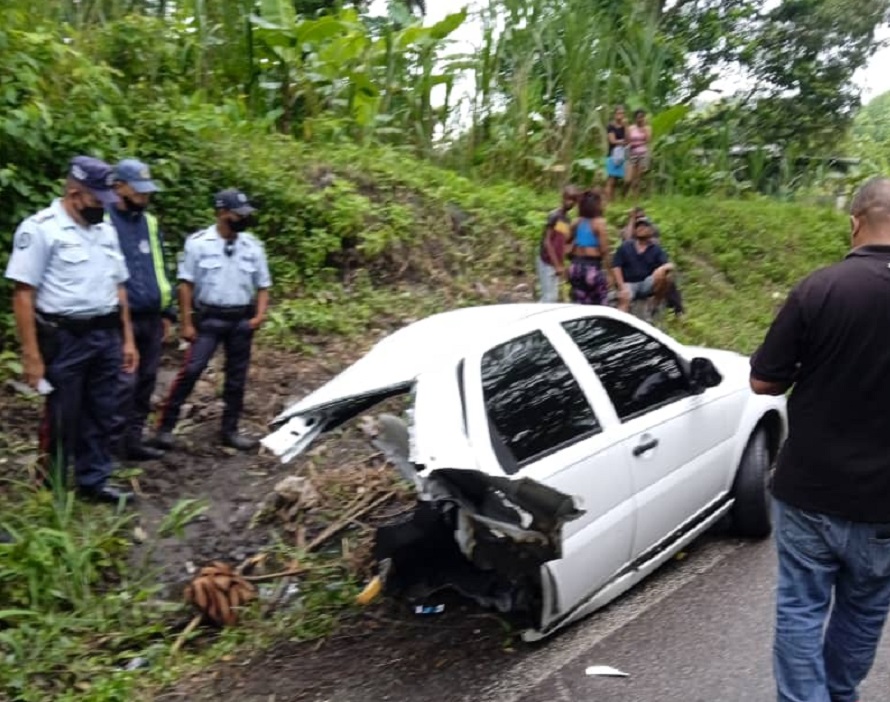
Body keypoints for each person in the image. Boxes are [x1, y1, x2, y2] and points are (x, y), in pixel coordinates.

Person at [750, 176, 890, 702]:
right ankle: (839, 693)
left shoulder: (819, 288)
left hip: (810, 489)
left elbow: (765, 380)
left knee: (800, 607)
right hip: (884, 503)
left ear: (854, 222)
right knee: (865, 607)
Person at [4, 156, 137, 505]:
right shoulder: (41, 229)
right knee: (63, 414)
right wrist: (31, 355)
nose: (102, 207)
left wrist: (127, 339)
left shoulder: (105, 230)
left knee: (102, 410)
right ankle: (50, 488)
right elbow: (23, 293)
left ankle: (93, 480)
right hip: (66, 338)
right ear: (75, 193)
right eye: (96, 200)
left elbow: (118, 286)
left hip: (106, 334)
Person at [153, 189, 271, 451]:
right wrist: (186, 322)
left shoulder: (252, 245)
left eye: (245, 214)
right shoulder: (198, 244)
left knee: (237, 377)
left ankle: (230, 430)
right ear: (221, 213)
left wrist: (259, 316)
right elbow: (186, 285)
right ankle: (164, 428)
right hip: (209, 319)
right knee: (191, 370)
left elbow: (263, 285)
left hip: (241, 319)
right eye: (237, 214)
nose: (243, 219)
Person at [107, 158, 176, 462]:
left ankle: (132, 441)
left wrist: (167, 310)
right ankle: (108, 448)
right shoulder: (103, 220)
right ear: (118, 186)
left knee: (146, 381)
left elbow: (159, 267)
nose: (144, 198)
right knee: (121, 384)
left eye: (148, 192)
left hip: (150, 315)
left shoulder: (149, 222)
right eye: (138, 191)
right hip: (119, 317)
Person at [612, 217, 676, 317]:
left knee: (667, 276)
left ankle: (655, 304)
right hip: (629, 283)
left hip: (646, 284)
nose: (640, 228)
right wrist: (621, 287)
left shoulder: (656, 249)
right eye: (638, 226)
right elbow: (616, 266)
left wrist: (661, 269)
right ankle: (619, 321)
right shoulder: (626, 246)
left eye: (644, 226)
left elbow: (670, 265)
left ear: (651, 230)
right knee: (624, 298)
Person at [566, 189, 612, 305]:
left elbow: (566, 240)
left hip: (575, 267)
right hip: (592, 267)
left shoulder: (576, 222)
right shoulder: (599, 223)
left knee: (579, 304)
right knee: (600, 305)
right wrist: (610, 274)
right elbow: (604, 250)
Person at [537, 185, 579, 302]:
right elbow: (547, 241)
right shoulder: (554, 216)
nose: (569, 202)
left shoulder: (566, 219)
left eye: (573, 200)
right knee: (549, 297)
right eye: (568, 198)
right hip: (546, 261)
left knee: (552, 297)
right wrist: (557, 265)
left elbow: (561, 242)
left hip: (555, 263)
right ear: (563, 198)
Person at [626, 109, 652, 199]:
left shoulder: (647, 128)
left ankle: (635, 197)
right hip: (632, 153)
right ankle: (625, 193)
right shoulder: (631, 128)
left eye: (642, 117)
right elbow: (628, 140)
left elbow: (648, 140)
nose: (640, 119)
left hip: (642, 154)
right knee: (629, 179)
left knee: (637, 178)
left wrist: (644, 128)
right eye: (638, 117)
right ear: (635, 118)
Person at [604, 106, 627, 203]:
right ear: (615, 114)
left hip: (621, 155)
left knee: (616, 180)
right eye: (618, 113)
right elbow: (612, 140)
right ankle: (607, 200)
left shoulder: (624, 126)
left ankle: (612, 200)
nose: (620, 116)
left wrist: (626, 126)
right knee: (611, 179)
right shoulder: (611, 126)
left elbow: (628, 138)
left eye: (622, 113)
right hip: (612, 154)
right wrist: (622, 141)